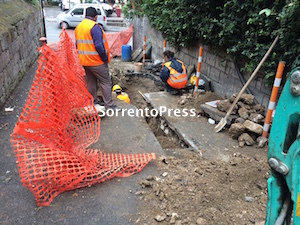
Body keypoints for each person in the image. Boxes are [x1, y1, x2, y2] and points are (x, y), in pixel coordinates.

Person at [75, 7, 119, 111]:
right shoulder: (94, 27)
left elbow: (77, 45)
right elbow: (99, 46)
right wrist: (104, 58)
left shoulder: (79, 27)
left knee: (91, 81)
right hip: (96, 61)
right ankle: (110, 106)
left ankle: (93, 102)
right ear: (95, 17)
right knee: (105, 82)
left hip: (85, 61)